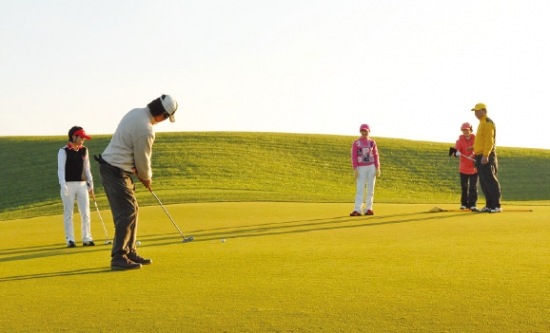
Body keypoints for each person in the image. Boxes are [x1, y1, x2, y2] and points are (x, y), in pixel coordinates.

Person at [96, 94, 178, 270]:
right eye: (165, 118)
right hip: (115, 170)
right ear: (163, 114)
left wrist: (139, 172)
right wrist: (146, 178)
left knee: (132, 208)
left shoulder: (135, 113)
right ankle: (119, 257)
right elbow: (143, 160)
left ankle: (130, 251)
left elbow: (130, 149)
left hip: (114, 168)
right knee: (126, 212)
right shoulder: (146, 129)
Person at [57, 126, 95, 247]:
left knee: (85, 213)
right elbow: (61, 169)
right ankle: (70, 239)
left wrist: (90, 181)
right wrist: (62, 184)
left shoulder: (84, 150)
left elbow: (87, 168)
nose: (83, 139)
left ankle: (87, 238)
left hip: (82, 185)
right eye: (81, 137)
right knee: (69, 213)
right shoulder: (63, 151)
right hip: (68, 184)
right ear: (74, 136)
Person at [470, 103, 502, 213]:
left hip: (487, 155)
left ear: (484, 111)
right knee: (483, 182)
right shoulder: (481, 122)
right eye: (475, 111)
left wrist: (486, 155)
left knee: (490, 180)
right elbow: (481, 141)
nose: (476, 113)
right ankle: (489, 205)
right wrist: (473, 147)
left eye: (478, 111)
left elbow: (489, 141)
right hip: (480, 155)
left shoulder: (488, 122)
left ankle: (496, 205)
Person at [350, 124, 381, 216]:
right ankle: (357, 209)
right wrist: (355, 168)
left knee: (370, 189)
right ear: (360, 132)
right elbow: (354, 156)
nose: (364, 132)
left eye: (365, 131)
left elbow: (375, 155)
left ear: (368, 131)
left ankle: (368, 208)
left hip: (371, 167)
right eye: (362, 131)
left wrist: (377, 167)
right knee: (360, 189)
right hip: (361, 167)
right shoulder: (356, 143)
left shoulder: (372, 142)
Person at [452, 122, 478, 210]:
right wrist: (456, 153)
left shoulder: (476, 139)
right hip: (463, 168)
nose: (465, 132)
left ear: (470, 129)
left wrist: (474, 153)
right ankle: (464, 203)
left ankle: (472, 204)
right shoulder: (459, 141)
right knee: (464, 186)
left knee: (473, 187)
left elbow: (478, 148)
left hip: (474, 168)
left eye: (467, 130)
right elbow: (453, 152)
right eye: (463, 130)